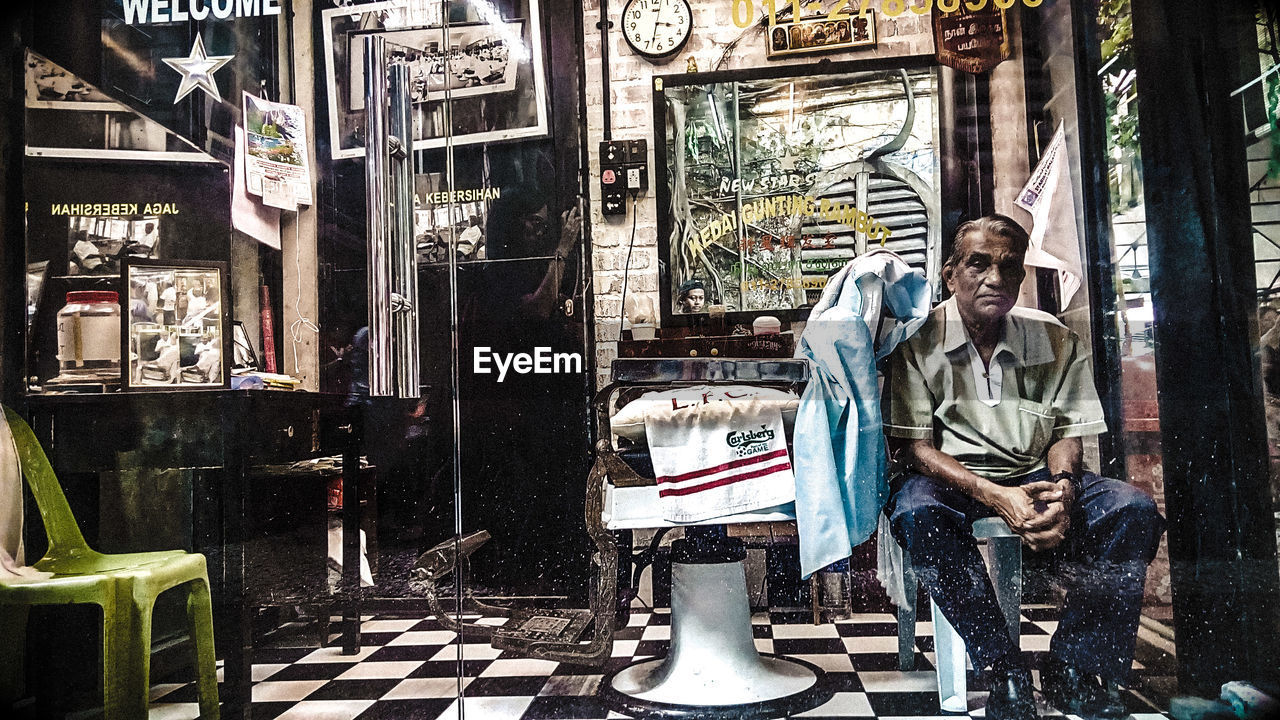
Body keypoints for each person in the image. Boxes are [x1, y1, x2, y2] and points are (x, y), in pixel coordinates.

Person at [884, 215, 1164, 720]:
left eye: (1009, 267)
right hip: (953, 478)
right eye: (978, 264)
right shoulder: (916, 342)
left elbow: (1067, 433)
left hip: (1036, 471)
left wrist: (1062, 488)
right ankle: (1002, 669)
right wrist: (994, 496)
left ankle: (1075, 665)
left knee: (1132, 509)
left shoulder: (1054, 338)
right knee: (916, 511)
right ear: (949, 274)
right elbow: (915, 449)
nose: (995, 277)